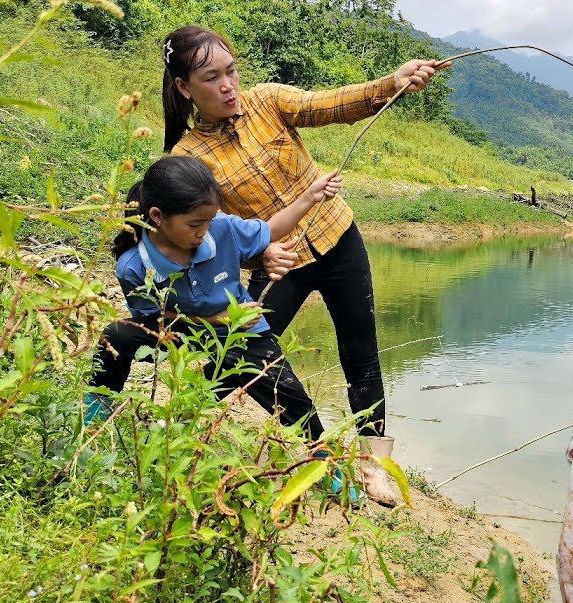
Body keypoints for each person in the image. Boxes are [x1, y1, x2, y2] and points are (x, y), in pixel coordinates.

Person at [160, 25, 447, 506]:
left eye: (231, 71)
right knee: (240, 352)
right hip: (279, 266)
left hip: (338, 239)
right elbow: (204, 235)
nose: (228, 85)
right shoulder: (188, 158)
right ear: (185, 88)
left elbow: (332, 104)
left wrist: (392, 83)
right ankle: (318, 455)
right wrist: (256, 253)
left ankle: (373, 466)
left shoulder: (269, 101)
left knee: (361, 354)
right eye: (212, 78)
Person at [83, 156, 363, 504]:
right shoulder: (135, 265)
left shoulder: (221, 229)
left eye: (208, 221)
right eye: (194, 225)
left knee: (290, 395)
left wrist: (310, 196)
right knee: (118, 334)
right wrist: (216, 320)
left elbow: (270, 230)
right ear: (157, 217)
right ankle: (96, 407)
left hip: (241, 329)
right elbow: (155, 316)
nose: (204, 232)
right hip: (182, 327)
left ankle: (324, 461)